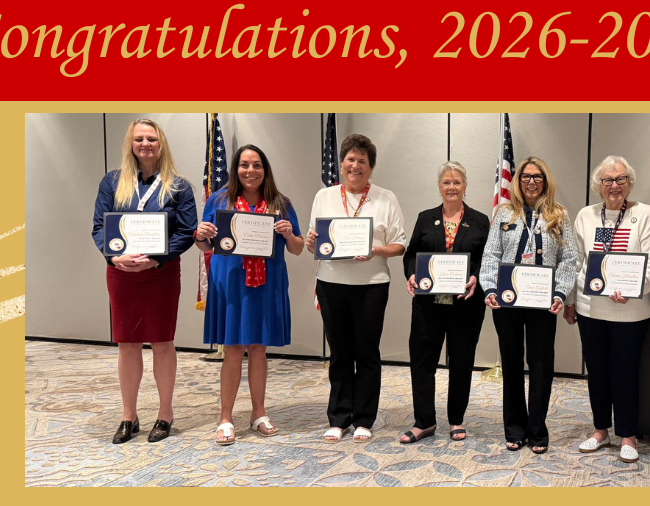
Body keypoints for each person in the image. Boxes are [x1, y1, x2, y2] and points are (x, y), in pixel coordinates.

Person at [90, 118, 197, 444]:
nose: (145, 144)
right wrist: (114, 257)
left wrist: (155, 259)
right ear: (131, 144)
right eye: (139, 139)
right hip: (122, 276)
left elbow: (187, 232)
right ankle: (129, 415)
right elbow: (98, 227)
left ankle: (165, 414)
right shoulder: (111, 183)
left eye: (151, 138)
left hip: (160, 275)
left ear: (160, 143)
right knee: (127, 344)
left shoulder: (178, 186)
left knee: (163, 342)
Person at [194, 144, 305, 446]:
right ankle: (226, 417)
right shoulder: (219, 200)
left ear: (265, 170)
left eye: (256, 165)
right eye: (244, 165)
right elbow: (205, 246)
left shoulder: (280, 203)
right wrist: (201, 236)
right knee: (232, 349)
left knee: (258, 349)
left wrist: (287, 233)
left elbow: (297, 248)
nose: (250, 171)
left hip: (266, 283)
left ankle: (259, 413)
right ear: (235, 169)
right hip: (231, 283)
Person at [305, 133, 408, 444]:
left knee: (366, 353)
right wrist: (312, 241)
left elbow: (400, 244)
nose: (355, 165)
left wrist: (376, 250)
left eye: (362, 161)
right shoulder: (323, 196)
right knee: (339, 354)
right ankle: (338, 418)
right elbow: (314, 240)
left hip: (371, 285)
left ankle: (364, 419)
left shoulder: (386, 198)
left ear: (371, 167)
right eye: (350, 159)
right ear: (342, 164)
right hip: (331, 283)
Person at [479, 156, 580, 454]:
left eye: (537, 177)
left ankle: (537, 430)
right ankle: (514, 428)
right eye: (526, 177)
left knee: (540, 366)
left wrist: (560, 293)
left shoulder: (559, 215)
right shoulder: (504, 213)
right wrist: (490, 288)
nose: (532, 182)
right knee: (511, 363)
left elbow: (569, 259)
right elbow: (491, 255)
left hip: (543, 303)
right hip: (507, 301)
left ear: (545, 182)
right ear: (517, 181)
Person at [569, 156, 650, 463]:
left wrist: (634, 291)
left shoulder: (644, 213)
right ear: (599, 185)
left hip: (630, 311)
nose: (614, 186)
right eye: (608, 180)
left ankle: (627, 434)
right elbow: (577, 263)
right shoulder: (586, 215)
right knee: (596, 372)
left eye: (620, 179)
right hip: (591, 308)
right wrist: (583, 294)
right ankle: (599, 430)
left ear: (629, 183)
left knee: (625, 372)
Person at [398, 161, 490, 444]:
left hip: (466, 305)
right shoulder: (426, 218)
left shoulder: (479, 220)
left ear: (465, 186)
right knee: (422, 361)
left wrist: (476, 277)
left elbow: (487, 260)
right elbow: (411, 254)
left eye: (457, 182)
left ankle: (456, 419)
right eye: (446, 182)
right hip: (428, 305)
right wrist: (412, 274)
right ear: (439, 187)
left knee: (461, 362)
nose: (452, 187)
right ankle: (424, 421)